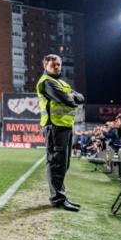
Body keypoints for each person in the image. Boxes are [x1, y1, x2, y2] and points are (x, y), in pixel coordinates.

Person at [36, 54, 84, 212]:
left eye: (58, 64)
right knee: (56, 163)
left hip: (64, 126)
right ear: (45, 66)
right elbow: (69, 101)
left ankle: (61, 196)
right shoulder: (47, 82)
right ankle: (57, 199)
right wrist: (71, 97)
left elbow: (81, 98)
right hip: (54, 127)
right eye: (53, 65)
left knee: (63, 164)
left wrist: (72, 96)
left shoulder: (61, 82)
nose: (57, 67)